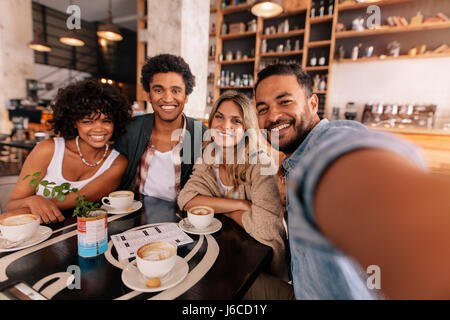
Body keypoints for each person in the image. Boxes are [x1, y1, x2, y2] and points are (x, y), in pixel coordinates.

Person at [254, 63, 450, 300]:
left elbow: (347, 165)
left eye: (285, 101)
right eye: (262, 109)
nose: (272, 116)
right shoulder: (293, 160)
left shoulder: (329, 143)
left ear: (313, 103)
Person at [178, 90, 293, 299]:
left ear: (247, 128)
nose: (225, 126)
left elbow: (264, 229)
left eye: (236, 121)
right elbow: (186, 199)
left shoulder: (259, 165)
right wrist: (241, 205)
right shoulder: (208, 156)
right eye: (219, 117)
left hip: (262, 268)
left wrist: (222, 210)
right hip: (224, 256)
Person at [5, 79, 132, 224]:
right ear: (74, 122)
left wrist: (33, 204)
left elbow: (75, 200)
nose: (99, 129)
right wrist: (32, 200)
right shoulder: (47, 150)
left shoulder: (117, 163)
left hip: (81, 235)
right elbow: (11, 205)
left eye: (106, 121)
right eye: (88, 121)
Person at [114, 54, 207, 206]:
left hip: (181, 218)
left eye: (176, 91)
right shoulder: (130, 130)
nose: (168, 98)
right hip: (136, 215)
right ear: (148, 95)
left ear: (186, 96)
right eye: (158, 90)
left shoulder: (201, 133)